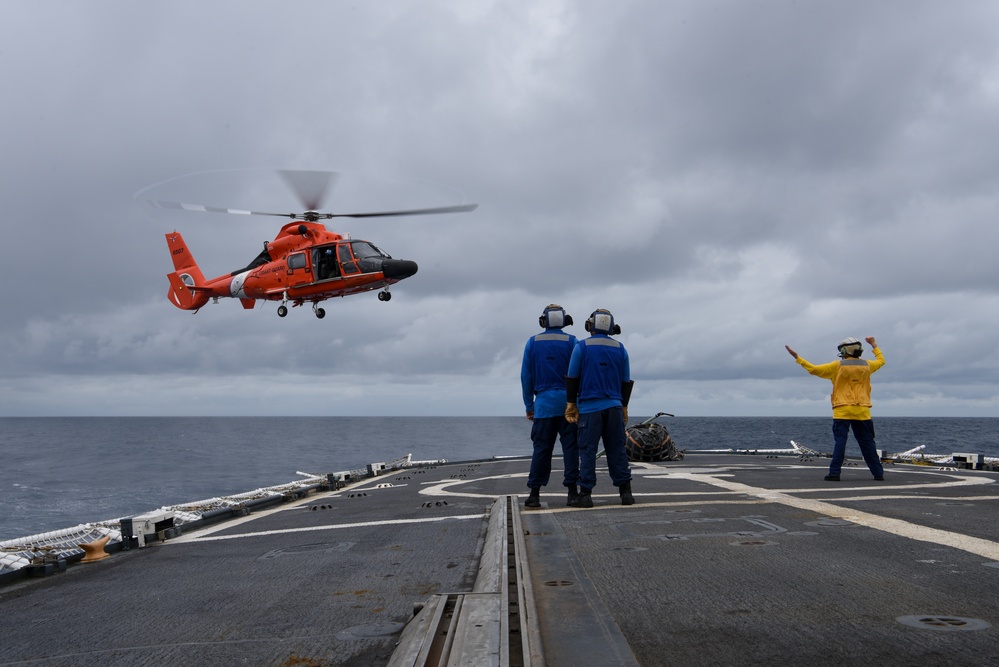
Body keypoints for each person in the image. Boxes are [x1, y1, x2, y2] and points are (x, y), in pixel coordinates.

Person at [785, 336, 886, 481]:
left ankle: (834, 473)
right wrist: (874, 345)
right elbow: (882, 361)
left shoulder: (837, 366)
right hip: (862, 410)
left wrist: (797, 358)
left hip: (842, 409)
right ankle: (878, 473)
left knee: (840, 442)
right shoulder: (867, 365)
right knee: (868, 443)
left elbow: (813, 369)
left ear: (844, 350)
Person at [564, 308, 634, 508]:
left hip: (589, 408)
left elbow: (573, 377)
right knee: (617, 450)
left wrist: (571, 404)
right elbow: (625, 381)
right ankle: (626, 492)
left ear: (590, 326)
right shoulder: (621, 349)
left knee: (587, 451)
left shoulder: (581, 347)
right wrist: (624, 407)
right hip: (614, 406)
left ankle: (585, 494)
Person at [521, 304, 580, 508]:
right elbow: (578, 374)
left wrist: (530, 405)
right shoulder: (573, 342)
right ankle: (572, 492)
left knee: (541, 450)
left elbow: (526, 377)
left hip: (544, 405)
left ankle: (534, 493)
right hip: (569, 405)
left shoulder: (532, 342)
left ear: (543, 321)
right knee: (571, 449)